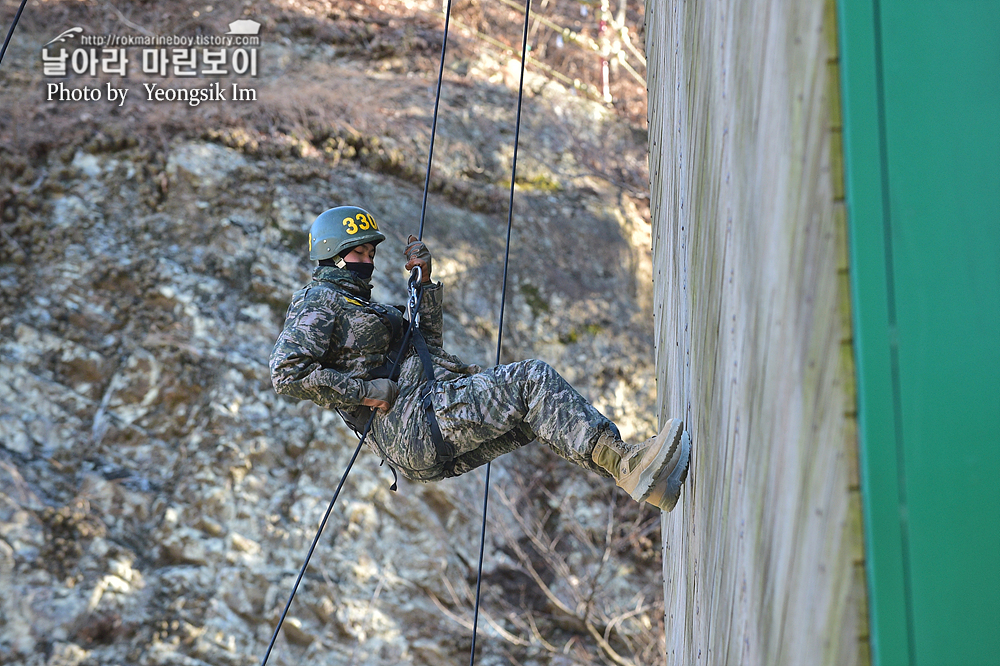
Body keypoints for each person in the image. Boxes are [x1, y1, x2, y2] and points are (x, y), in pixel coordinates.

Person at [269, 206, 692, 511]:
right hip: (412, 421)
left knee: (536, 413)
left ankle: (642, 481)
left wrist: (425, 286)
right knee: (530, 381)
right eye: (359, 252)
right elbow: (287, 374)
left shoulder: (357, 304)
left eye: (371, 253)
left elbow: (426, 349)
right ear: (333, 255)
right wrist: (366, 391)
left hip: (423, 422)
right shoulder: (320, 301)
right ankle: (628, 465)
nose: (369, 261)